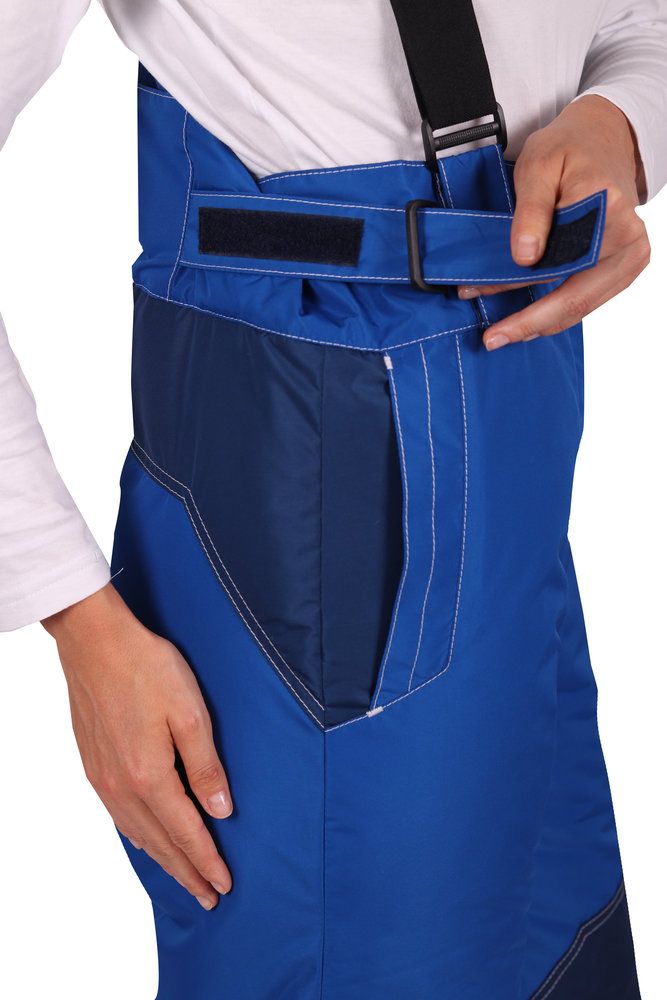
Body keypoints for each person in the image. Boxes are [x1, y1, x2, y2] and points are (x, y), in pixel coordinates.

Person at [1, 2, 665, 998]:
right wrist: (77, 619)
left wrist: (623, 123)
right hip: (311, 506)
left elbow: (634, 20)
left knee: (560, 956)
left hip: (517, 478)